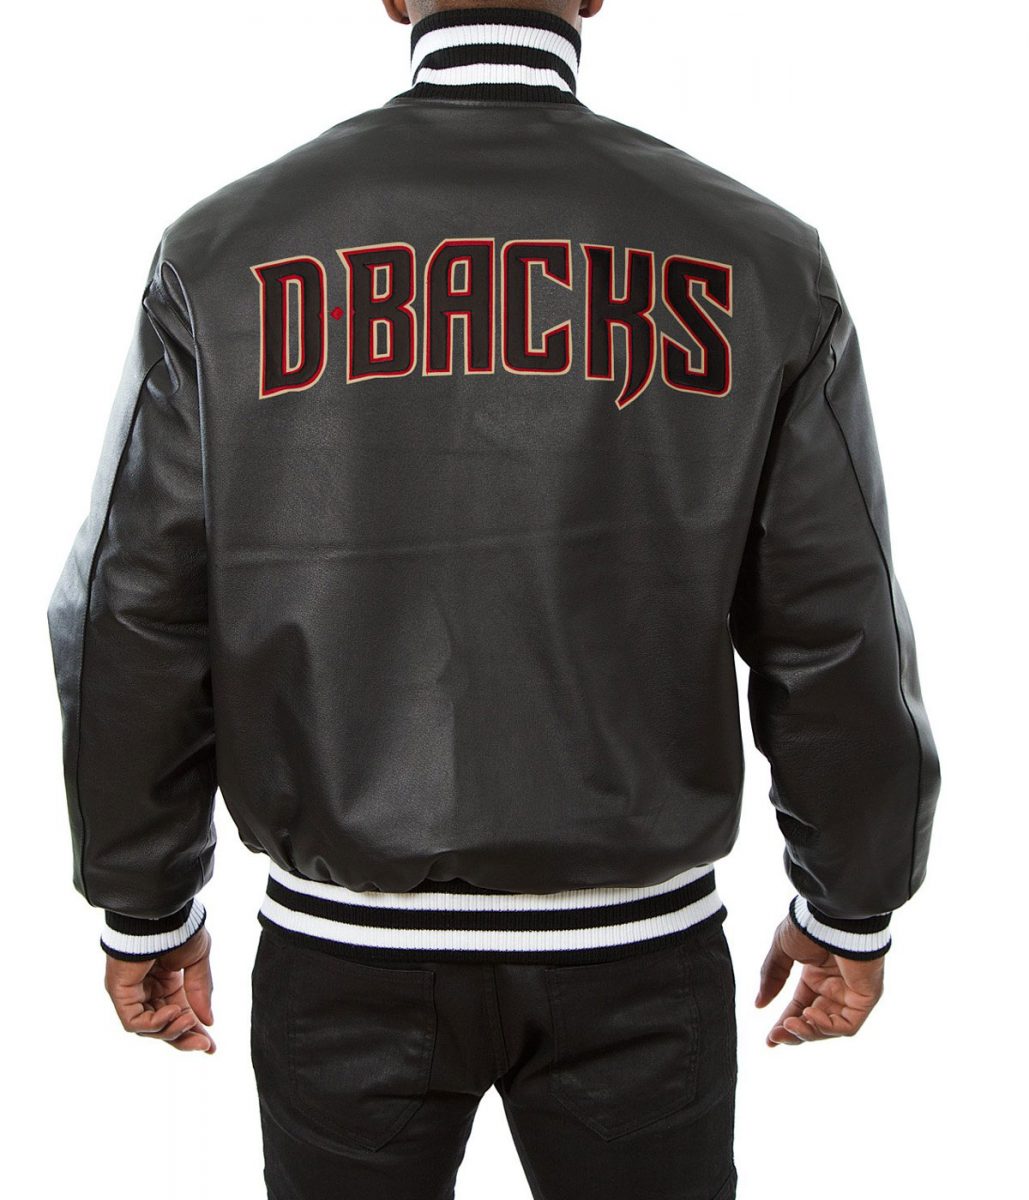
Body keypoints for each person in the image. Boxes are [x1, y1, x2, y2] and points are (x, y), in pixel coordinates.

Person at [45, 1, 941, 1196]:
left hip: (344, 954)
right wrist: (850, 905)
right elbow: (834, 623)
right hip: (637, 956)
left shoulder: (221, 254)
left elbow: (132, 608)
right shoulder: (761, 258)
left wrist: (146, 905)